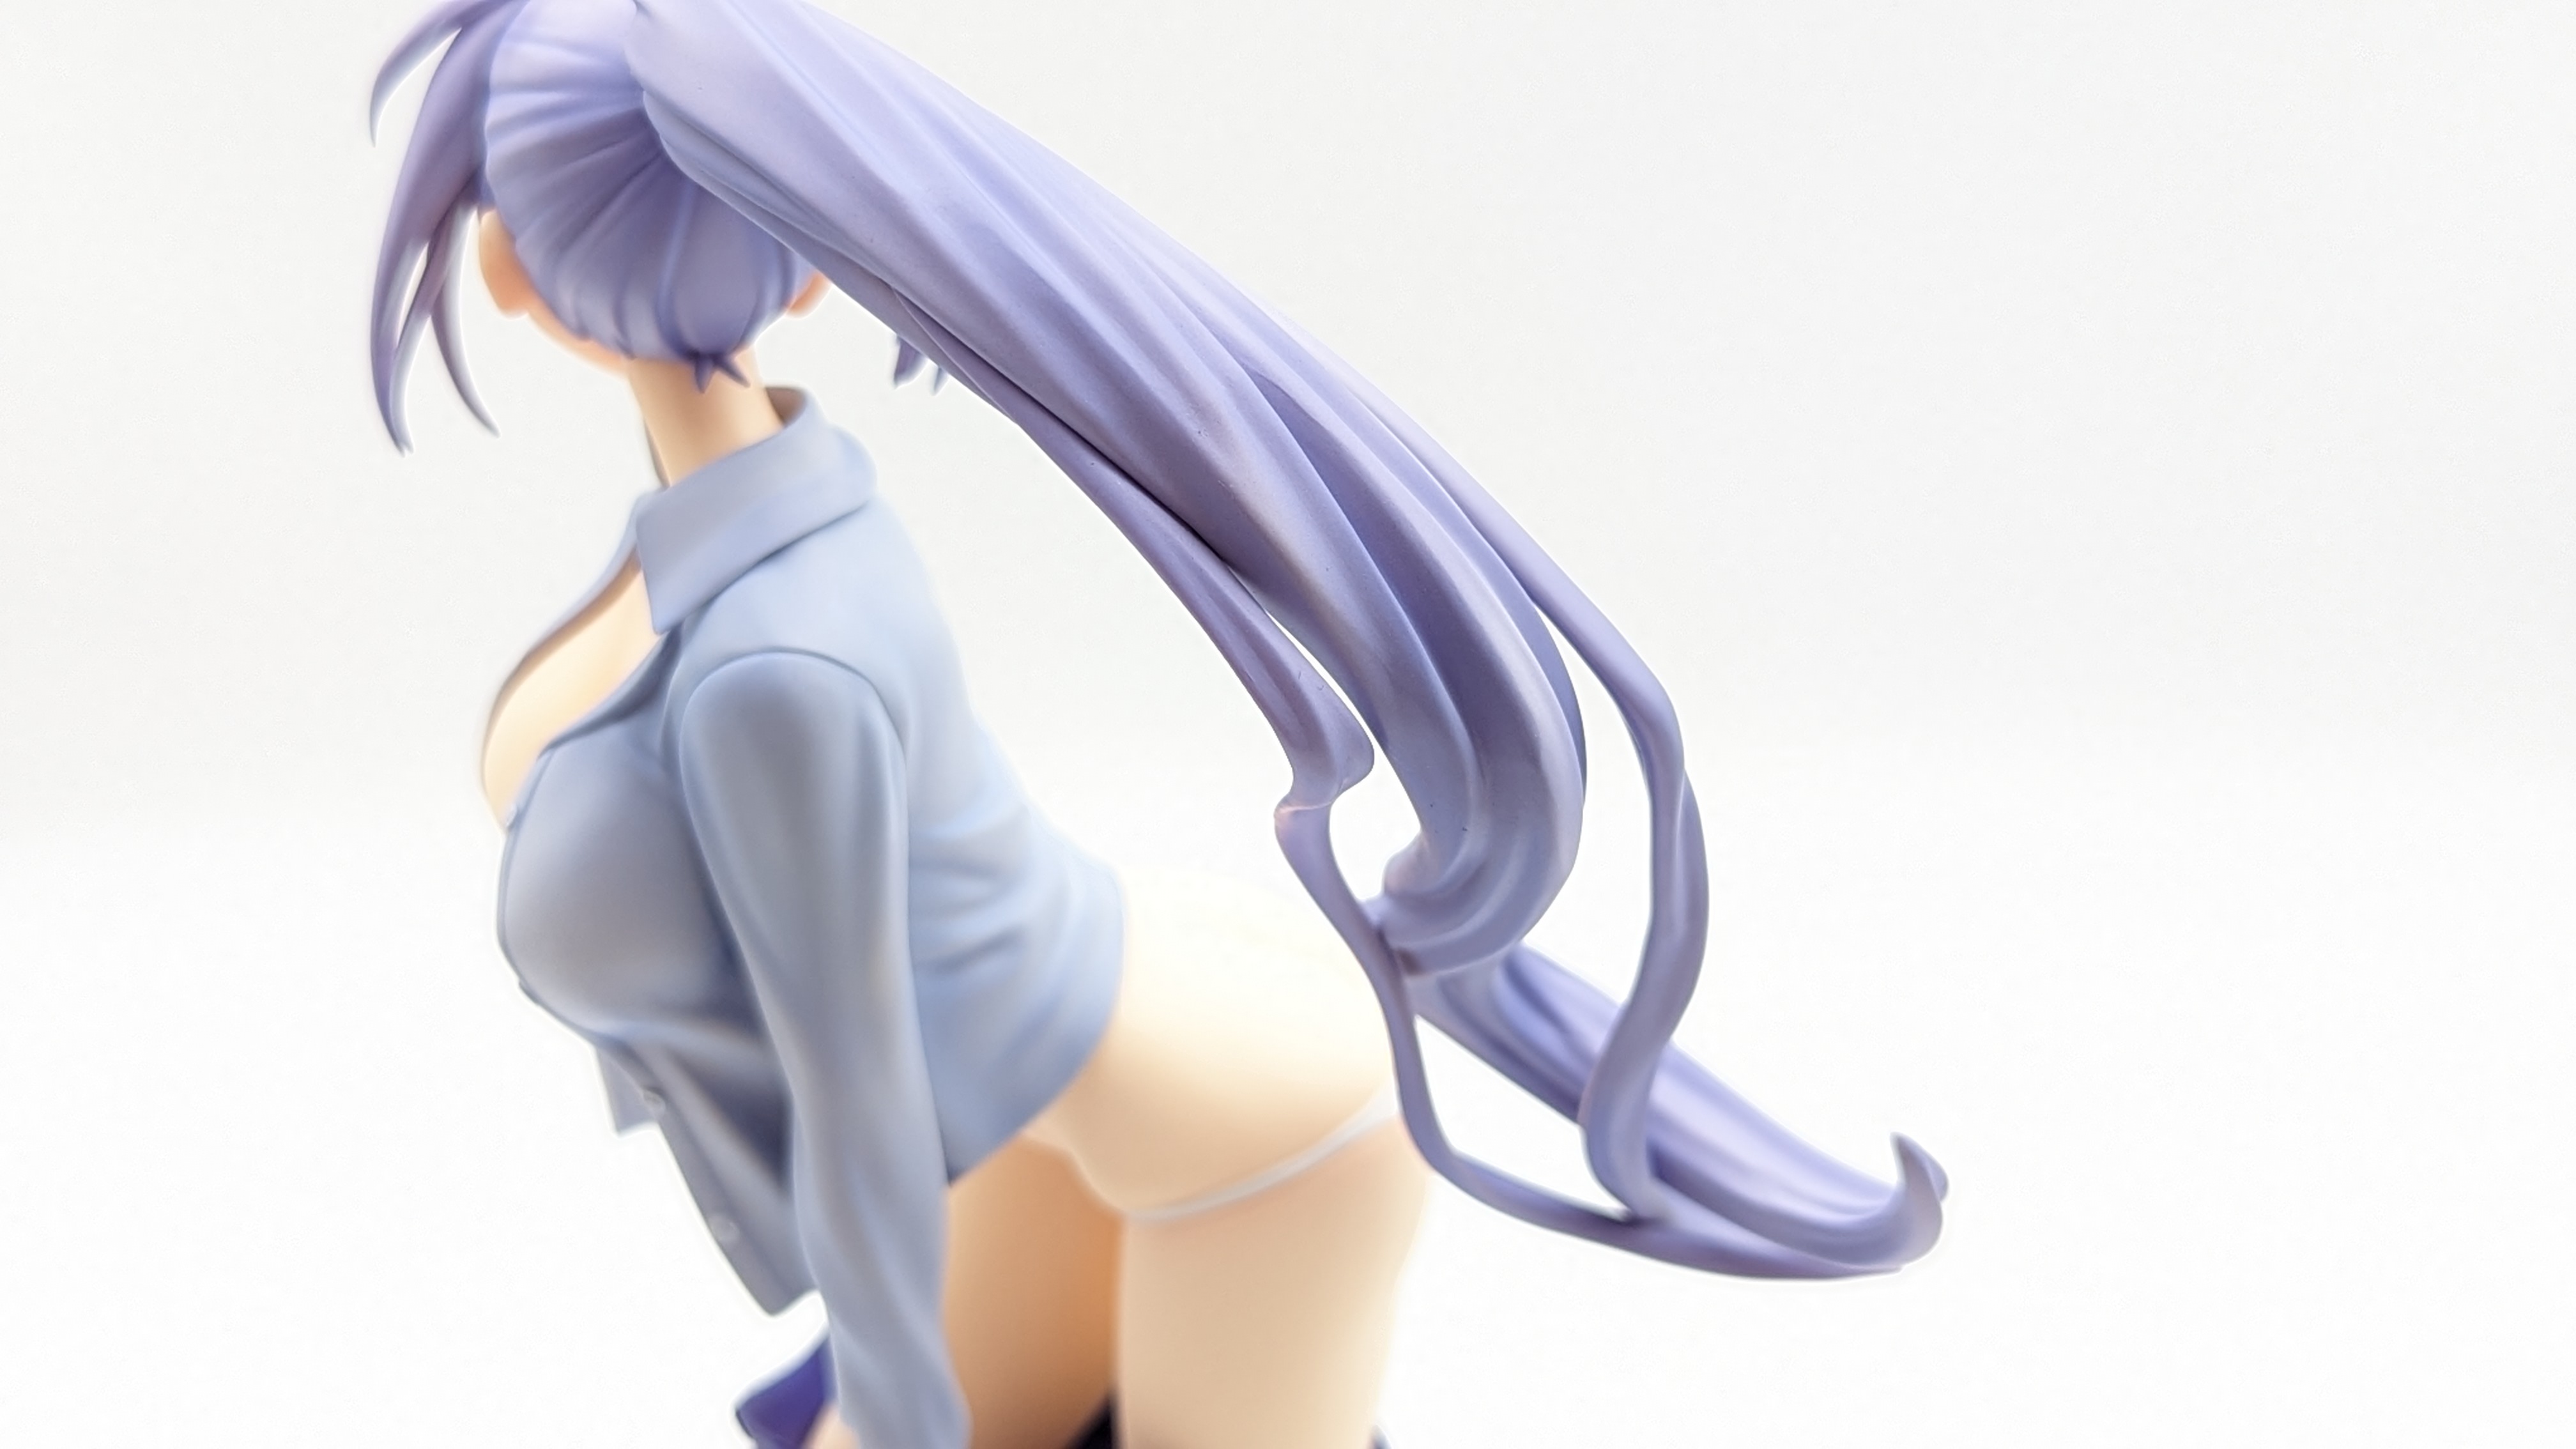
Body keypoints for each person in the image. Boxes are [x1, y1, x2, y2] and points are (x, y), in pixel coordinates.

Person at [371, 2, 1945, 1446]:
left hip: (1250, 1136)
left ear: (510, 269)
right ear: (809, 262)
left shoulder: (772, 666)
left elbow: (864, 1125)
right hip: (1051, 1092)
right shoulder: (745, 543)